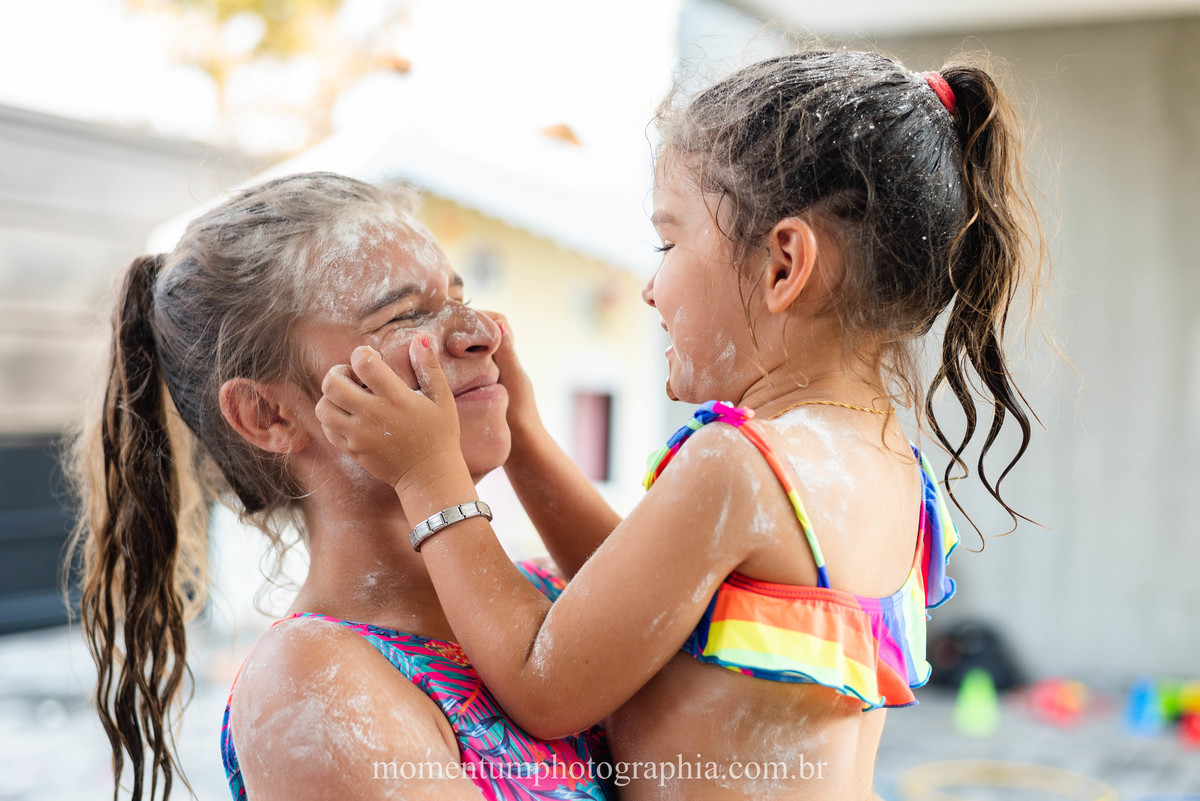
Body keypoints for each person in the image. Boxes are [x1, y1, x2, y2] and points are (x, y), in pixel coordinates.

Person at [318, 49, 1044, 799]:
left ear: (784, 264)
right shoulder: (887, 466)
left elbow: (545, 682)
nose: (649, 287)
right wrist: (527, 439)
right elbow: (643, 602)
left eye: (668, 242)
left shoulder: (739, 466)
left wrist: (426, 476)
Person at [68, 172, 615, 801]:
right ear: (268, 415)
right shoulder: (309, 683)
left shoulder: (555, 588)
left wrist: (526, 435)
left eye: (459, 297)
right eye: (407, 314)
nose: (481, 331)